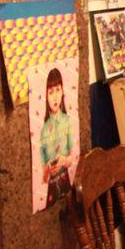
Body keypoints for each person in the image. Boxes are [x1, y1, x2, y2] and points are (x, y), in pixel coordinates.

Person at [40, 67, 73, 208]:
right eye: (50, 92)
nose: (55, 97)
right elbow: (44, 177)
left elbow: (72, 159)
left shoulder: (67, 121)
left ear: (63, 91)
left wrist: (63, 160)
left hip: (66, 182)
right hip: (52, 189)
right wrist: (48, 169)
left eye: (58, 90)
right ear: (46, 96)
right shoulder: (44, 129)